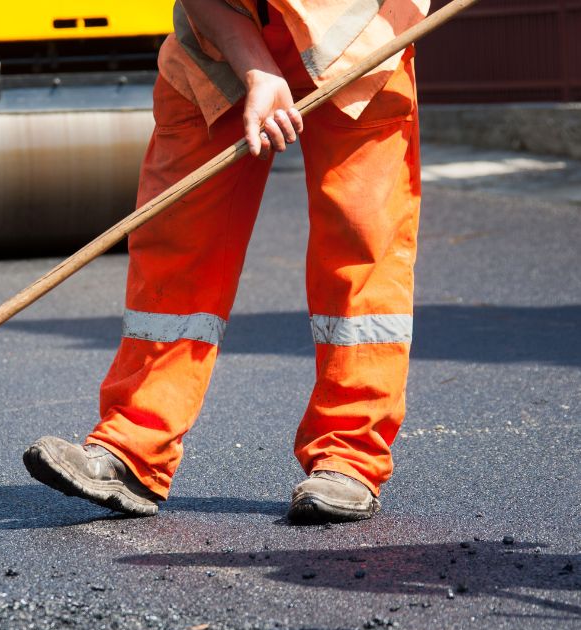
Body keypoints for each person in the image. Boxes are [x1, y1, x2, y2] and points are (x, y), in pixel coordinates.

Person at [24, 0, 429, 523]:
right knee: (176, 242)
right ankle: (133, 449)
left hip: (361, 47)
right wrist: (256, 69)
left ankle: (349, 457)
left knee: (361, 247)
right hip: (215, 50)